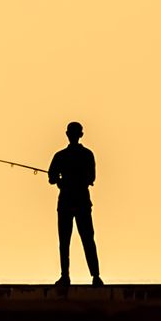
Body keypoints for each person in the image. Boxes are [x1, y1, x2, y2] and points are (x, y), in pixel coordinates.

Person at [47, 121, 102, 287]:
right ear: (81, 135)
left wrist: (62, 181)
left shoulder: (60, 156)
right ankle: (95, 277)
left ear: (67, 134)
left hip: (68, 202)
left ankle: (66, 276)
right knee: (86, 239)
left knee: (67, 241)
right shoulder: (87, 155)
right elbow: (91, 178)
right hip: (81, 202)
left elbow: (51, 178)